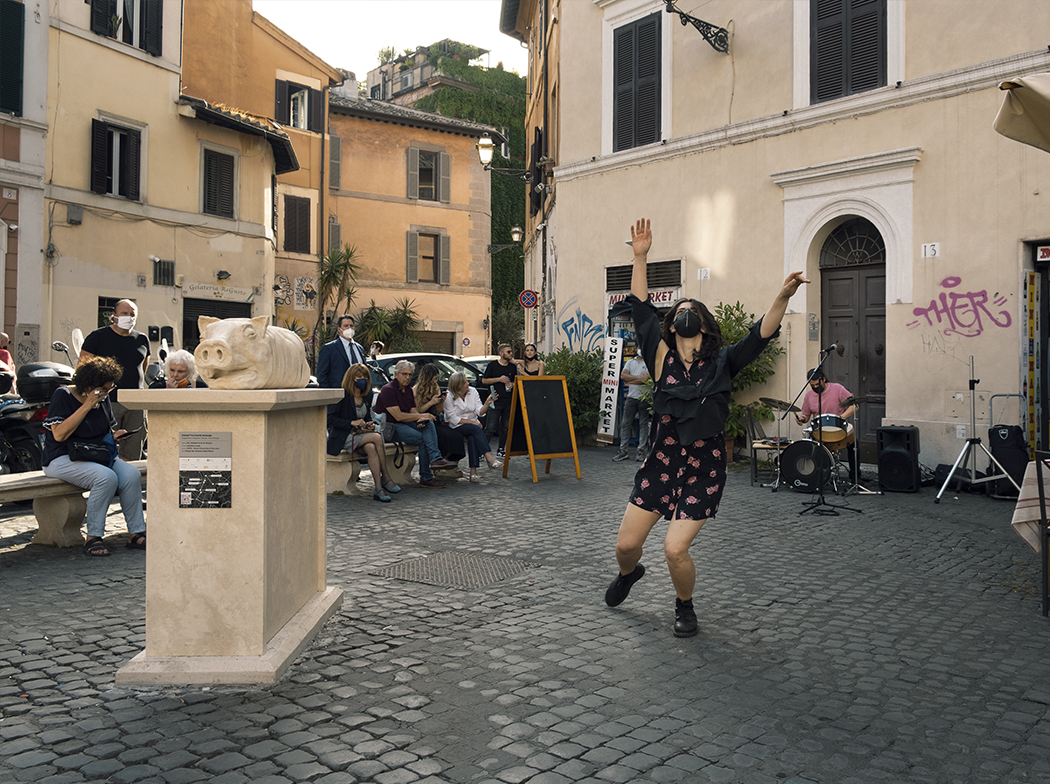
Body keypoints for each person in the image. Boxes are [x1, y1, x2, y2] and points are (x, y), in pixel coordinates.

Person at [604, 218, 809, 638]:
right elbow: (641, 308)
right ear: (671, 324)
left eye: (691, 311)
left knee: (674, 549)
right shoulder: (660, 358)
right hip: (661, 462)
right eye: (678, 312)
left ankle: (684, 606)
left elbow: (761, 334)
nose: (683, 315)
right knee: (627, 547)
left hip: (704, 466)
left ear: (704, 322)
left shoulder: (724, 362)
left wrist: (782, 296)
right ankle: (629, 574)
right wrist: (639, 256)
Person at [42, 356, 146, 557]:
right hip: (62, 458)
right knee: (105, 478)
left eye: (110, 389)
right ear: (89, 385)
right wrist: (87, 405)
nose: (107, 393)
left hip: (96, 454)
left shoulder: (103, 399)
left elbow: (102, 430)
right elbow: (59, 434)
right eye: (104, 389)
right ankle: (94, 537)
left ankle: (136, 532)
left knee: (131, 474)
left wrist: (114, 435)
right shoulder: (63, 395)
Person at [78, 299, 150, 461]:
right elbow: (83, 368)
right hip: (107, 402)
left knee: (134, 449)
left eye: (132, 314)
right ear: (114, 316)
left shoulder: (142, 339)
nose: (128, 317)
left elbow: (143, 367)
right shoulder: (97, 337)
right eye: (124, 313)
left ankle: (130, 481)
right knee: (106, 445)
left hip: (136, 404)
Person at [374, 359, 457, 489]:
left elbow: (413, 411)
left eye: (410, 374)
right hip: (390, 427)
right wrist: (420, 416)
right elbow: (398, 416)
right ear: (396, 374)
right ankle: (426, 476)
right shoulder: (388, 390)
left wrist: (421, 419)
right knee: (422, 438)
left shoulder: (407, 390)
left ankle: (435, 459)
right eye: (404, 374)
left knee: (429, 424)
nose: (407, 377)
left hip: (405, 423)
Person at [327, 363, 402, 502]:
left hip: (361, 436)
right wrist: (351, 422)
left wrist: (369, 424)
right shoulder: (343, 394)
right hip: (344, 436)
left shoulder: (366, 395)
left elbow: (367, 417)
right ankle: (385, 476)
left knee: (371, 447)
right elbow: (330, 419)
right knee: (377, 437)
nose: (362, 379)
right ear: (351, 378)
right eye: (359, 377)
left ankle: (378, 488)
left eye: (365, 377)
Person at [795, 367, 858, 480]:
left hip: (839, 431)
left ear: (823, 379)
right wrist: (802, 419)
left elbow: (854, 405)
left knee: (854, 445)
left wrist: (840, 418)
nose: (815, 387)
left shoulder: (837, 389)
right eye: (812, 385)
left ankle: (855, 476)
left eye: (817, 384)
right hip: (819, 433)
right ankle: (818, 476)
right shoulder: (809, 395)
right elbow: (806, 414)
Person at [444, 371, 501, 482]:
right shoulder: (449, 396)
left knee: (472, 438)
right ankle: (488, 457)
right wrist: (473, 423)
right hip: (457, 426)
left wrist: (487, 403)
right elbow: (454, 419)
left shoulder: (473, 392)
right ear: (458, 385)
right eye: (465, 382)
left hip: (472, 426)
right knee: (475, 429)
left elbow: (480, 412)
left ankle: (473, 471)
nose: (468, 383)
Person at [412, 363, 466, 466]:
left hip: (435, 419)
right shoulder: (416, 390)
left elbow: (438, 411)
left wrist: (441, 402)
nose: (435, 381)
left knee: (456, 435)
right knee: (444, 436)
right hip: (424, 421)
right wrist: (431, 402)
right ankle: (439, 461)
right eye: (434, 378)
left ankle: (448, 461)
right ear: (428, 378)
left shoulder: (434, 387)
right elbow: (418, 411)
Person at [612, 351, 651, 463]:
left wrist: (630, 379)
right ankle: (623, 451)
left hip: (644, 398)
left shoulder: (649, 362)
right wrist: (639, 378)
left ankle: (640, 452)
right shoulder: (630, 362)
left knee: (643, 424)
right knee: (625, 424)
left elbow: (645, 379)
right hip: (631, 397)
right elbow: (623, 376)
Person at [482, 343, 518, 457]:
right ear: (501, 353)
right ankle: (483, 450)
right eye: (508, 352)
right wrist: (499, 379)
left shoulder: (512, 367)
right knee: (490, 428)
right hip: (495, 400)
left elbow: (515, 381)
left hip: (508, 401)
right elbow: (484, 380)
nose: (510, 354)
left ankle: (501, 448)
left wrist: (512, 384)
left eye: (511, 351)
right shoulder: (492, 365)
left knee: (505, 427)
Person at [316, 314, 367, 389]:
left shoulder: (359, 348)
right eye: (346, 326)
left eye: (351, 326)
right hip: (339, 393)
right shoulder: (329, 348)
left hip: (358, 393)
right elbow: (321, 375)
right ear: (339, 329)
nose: (349, 328)